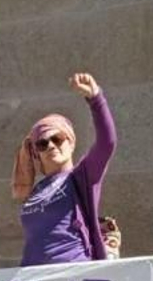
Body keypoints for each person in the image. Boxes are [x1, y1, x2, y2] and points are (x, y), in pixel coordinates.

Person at [11, 72, 117, 266]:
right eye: (42, 143)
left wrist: (95, 98)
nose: (51, 145)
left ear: (71, 142)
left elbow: (107, 143)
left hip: (72, 275)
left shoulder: (82, 176)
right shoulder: (36, 191)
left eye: (57, 139)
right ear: (37, 153)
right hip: (33, 280)